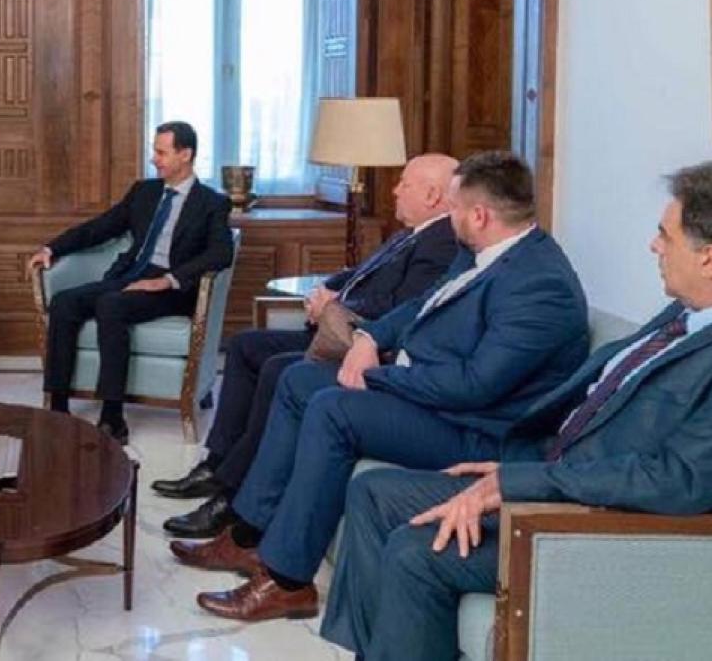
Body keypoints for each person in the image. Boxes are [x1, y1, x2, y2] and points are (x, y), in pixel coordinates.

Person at [174, 151, 589, 623]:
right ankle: (249, 534)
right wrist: (369, 338)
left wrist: (377, 376)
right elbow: (422, 304)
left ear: (479, 215)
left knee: (334, 410)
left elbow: (474, 387)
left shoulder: (540, 285)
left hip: (477, 430)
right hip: (433, 396)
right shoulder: (481, 252)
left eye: (453, 207)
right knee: (299, 379)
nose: (447, 216)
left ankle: (288, 582)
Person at [322, 161, 712, 660]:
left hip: (590, 518)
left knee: (416, 551)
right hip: (546, 472)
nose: (654, 246)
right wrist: (519, 467)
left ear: (706, 257)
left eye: (665, 235)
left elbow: (677, 480)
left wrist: (521, 482)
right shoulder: (681, 315)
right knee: (374, 492)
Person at [153, 153, 460, 538]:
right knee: (246, 345)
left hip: (359, 347)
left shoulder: (442, 243)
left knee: (278, 369)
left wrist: (335, 304)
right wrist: (325, 289)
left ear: (432, 195)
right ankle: (217, 464)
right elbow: (361, 274)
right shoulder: (411, 233)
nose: (395, 190)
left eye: (405, 184)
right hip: (334, 334)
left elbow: (399, 305)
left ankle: (231, 494)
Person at [29, 121, 233, 444]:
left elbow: (222, 253)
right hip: (130, 275)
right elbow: (101, 227)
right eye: (155, 151)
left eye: (161, 153)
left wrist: (168, 280)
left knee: (111, 305)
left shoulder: (211, 203)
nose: (154, 159)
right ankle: (58, 407)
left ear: (185, 155)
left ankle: (112, 417)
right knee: (64, 302)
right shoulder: (144, 192)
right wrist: (52, 248)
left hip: (171, 290)